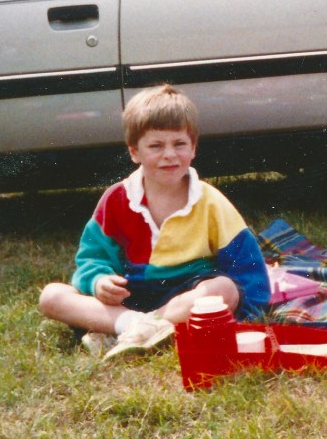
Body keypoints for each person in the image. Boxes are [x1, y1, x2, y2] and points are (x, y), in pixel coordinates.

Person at [39, 84, 270, 361]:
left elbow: (247, 268)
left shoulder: (211, 201)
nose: (169, 154)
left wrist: (239, 302)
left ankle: (129, 330)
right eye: (156, 145)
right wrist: (100, 281)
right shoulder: (116, 199)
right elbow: (92, 258)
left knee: (223, 289)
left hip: (185, 297)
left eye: (179, 144)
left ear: (193, 147)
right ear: (135, 151)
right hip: (129, 297)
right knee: (51, 296)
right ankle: (135, 327)